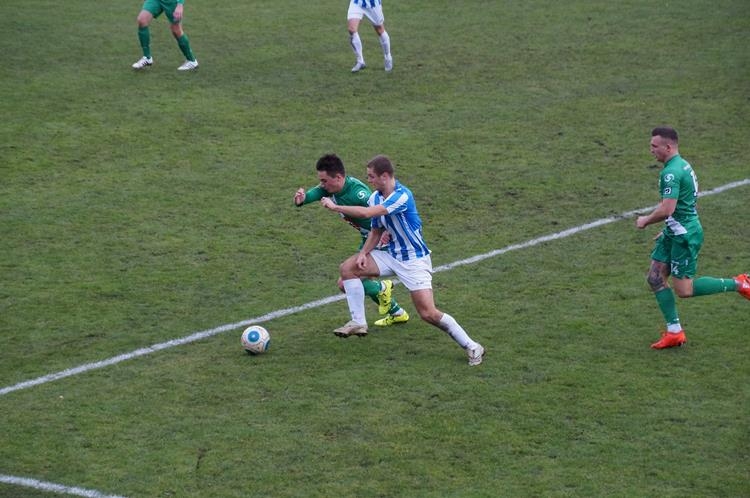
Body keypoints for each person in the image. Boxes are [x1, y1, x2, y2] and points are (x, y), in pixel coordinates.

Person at [321, 155, 485, 366]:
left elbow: (368, 213)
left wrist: (336, 208)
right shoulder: (376, 196)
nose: (368, 180)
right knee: (348, 269)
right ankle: (358, 322)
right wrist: (364, 253)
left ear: (385, 176)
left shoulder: (402, 196)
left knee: (428, 313)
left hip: (413, 261)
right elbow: (376, 230)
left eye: (371, 176)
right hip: (390, 255)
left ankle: (472, 346)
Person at [636, 126, 750, 349]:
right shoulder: (683, 165)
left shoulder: (671, 173)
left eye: (654, 146)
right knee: (655, 278)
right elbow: (684, 203)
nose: (651, 150)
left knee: (684, 290)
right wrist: (669, 228)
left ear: (668, 147)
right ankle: (674, 332)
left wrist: (646, 220)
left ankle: (740, 283)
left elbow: (667, 209)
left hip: (684, 236)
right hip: (676, 230)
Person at [294, 154, 410, 330]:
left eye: (324, 180)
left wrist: (387, 230)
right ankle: (397, 313)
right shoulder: (331, 188)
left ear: (338, 177)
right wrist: (302, 199)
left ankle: (381, 290)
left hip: (381, 239)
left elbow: (377, 210)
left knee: (346, 281)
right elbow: (315, 193)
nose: (322, 185)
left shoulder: (358, 193)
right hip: (367, 239)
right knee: (349, 281)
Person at [131, 0, 199, 71]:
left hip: (172, 2)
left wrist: (180, 5)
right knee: (142, 20)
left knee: (176, 30)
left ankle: (192, 61)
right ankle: (147, 57)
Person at [347, 0, 393, 73]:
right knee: (351, 29)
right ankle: (360, 61)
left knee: (379, 29)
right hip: (357, 2)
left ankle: (388, 57)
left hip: (372, 4)